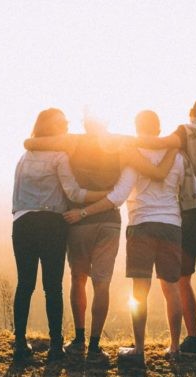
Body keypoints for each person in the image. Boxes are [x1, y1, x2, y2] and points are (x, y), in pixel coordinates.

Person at [64, 110, 196, 364]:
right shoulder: (178, 157)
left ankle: (139, 350)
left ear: (137, 128)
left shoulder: (134, 156)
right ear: (159, 130)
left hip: (141, 226)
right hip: (172, 227)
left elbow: (118, 196)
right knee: (171, 289)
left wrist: (83, 212)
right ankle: (175, 348)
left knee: (140, 291)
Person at [23, 117, 176, 360]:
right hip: (108, 222)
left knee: (78, 278)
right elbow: (156, 171)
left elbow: (30, 143)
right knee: (101, 283)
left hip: (78, 221)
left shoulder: (72, 142)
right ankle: (95, 346)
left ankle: (79, 340)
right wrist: (174, 143)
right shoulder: (122, 146)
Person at [135, 97, 196, 356]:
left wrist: (124, 143)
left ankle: (190, 337)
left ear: (192, 112)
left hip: (193, 210)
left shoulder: (186, 130)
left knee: (182, 276)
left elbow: (159, 144)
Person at [11, 108, 108, 362]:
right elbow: (74, 194)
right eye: (62, 122)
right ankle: (55, 347)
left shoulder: (25, 156)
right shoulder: (60, 156)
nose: (66, 124)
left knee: (25, 284)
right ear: (52, 128)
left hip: (22, 223)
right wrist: (105, 195)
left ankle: (20, 344)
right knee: (52, 287)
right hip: (52, 224)